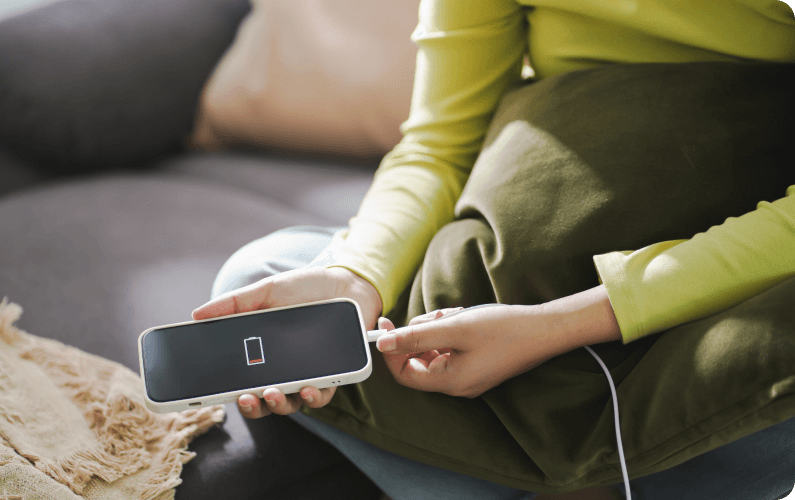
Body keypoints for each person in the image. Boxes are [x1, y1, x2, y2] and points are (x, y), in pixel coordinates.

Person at [193, 1, 795, 498]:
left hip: (718, 300)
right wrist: (357, 276)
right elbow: (439, 144)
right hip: (514, 290)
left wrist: (563, 325)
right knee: (264, 280)